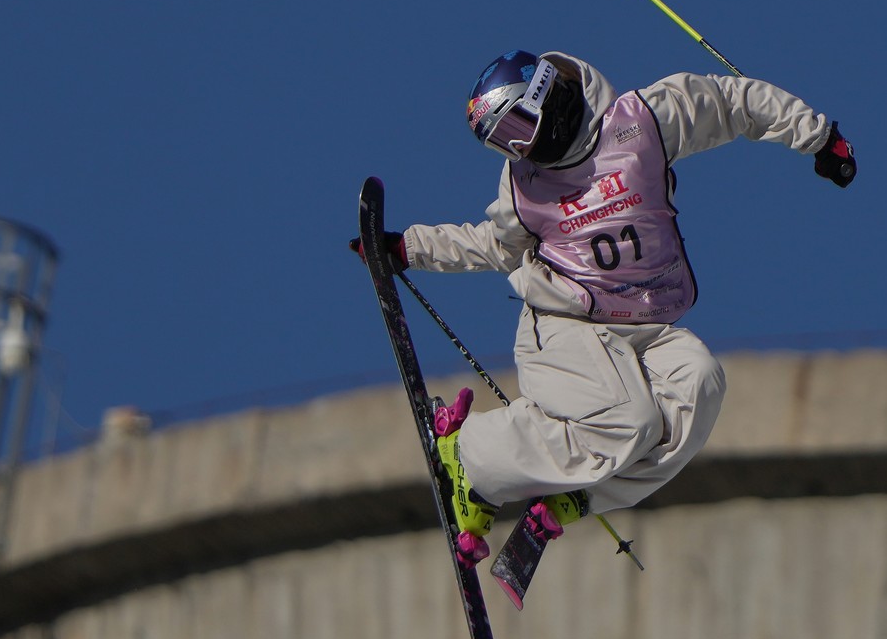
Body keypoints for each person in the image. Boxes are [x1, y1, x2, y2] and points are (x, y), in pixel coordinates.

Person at [354, 49, 856, 565]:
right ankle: (471, 453)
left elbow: (734, 102)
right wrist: (409, 248)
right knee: (631, 418)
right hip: (565, 326)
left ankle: (578, 496)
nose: (521, 148)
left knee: (700, 380)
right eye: (504, 142)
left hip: (644, 324)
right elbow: (497, 246)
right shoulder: (523, 187)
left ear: (548, 94)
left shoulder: (643, 123)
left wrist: (817, 138)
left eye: (520, 127)